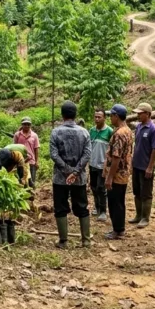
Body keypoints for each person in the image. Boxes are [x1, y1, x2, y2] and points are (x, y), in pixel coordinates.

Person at [49, 101, 92, 249]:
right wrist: (75, 172)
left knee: (60, 207)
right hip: (79, 178)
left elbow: (54, 155)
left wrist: (67, 170)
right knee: (82, 206)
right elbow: (87, 155)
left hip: (60, 178)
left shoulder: (56, 132)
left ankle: (63, 241)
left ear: (62, 115)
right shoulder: (84, 132)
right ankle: (86, 240)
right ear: (75, 115)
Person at [104, 104, 133, 240]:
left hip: (117, 174)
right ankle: (119, 228)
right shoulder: (127, 130)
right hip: (124, 173)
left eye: (111, 115)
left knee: (114, 202)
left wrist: (109, 177)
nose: (110, 118)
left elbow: (116, 157)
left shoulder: (119, 134)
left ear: (116, 116)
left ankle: (118, 230)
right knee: (120, 202)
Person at [130, 103, 155, 228]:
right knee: (137, 191)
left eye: (140, 113)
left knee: (146, 193)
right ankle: (138, 215)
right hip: (136, 165)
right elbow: (136, 145)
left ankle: (145, 217)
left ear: (147, 114)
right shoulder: (138, 127)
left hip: (145, 167)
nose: (138, 115)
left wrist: (150, 167)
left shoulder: (153, 129)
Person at [89, 109, 113, 222]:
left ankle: (103, 211)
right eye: (95, 117)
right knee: (93, 186)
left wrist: (108, 164)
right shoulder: (92, 131)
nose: (97, 119)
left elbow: (112, 149)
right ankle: (97, 207)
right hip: (92, 164)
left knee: (101, 188)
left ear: (104, 118)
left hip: (103, 165)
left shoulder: (109, 131)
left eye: (99, 117)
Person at [13, 117, 40, 188]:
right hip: (21, 161)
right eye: (25, 124)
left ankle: (32, 193)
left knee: (32, 182)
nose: (27, 126)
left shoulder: (34, 135)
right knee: (22, 181)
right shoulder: (17, 135)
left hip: (31, 161)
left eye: (28, 124)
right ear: (22, 125)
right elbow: (14, 148)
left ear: (30, 125)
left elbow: (36, 149)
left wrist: (37, 161)